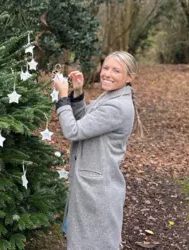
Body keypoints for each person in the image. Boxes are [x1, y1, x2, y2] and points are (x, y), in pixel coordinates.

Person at [53, 51, 140, 250]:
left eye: (116, 70)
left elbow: (73, 131)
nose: (107, 74)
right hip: (91, 186)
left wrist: (63, 97)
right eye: (106, 68)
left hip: (98, 192)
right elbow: (86, 121)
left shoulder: (117, 106)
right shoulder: (111, 95)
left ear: (129, 78)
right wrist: (77, 93)